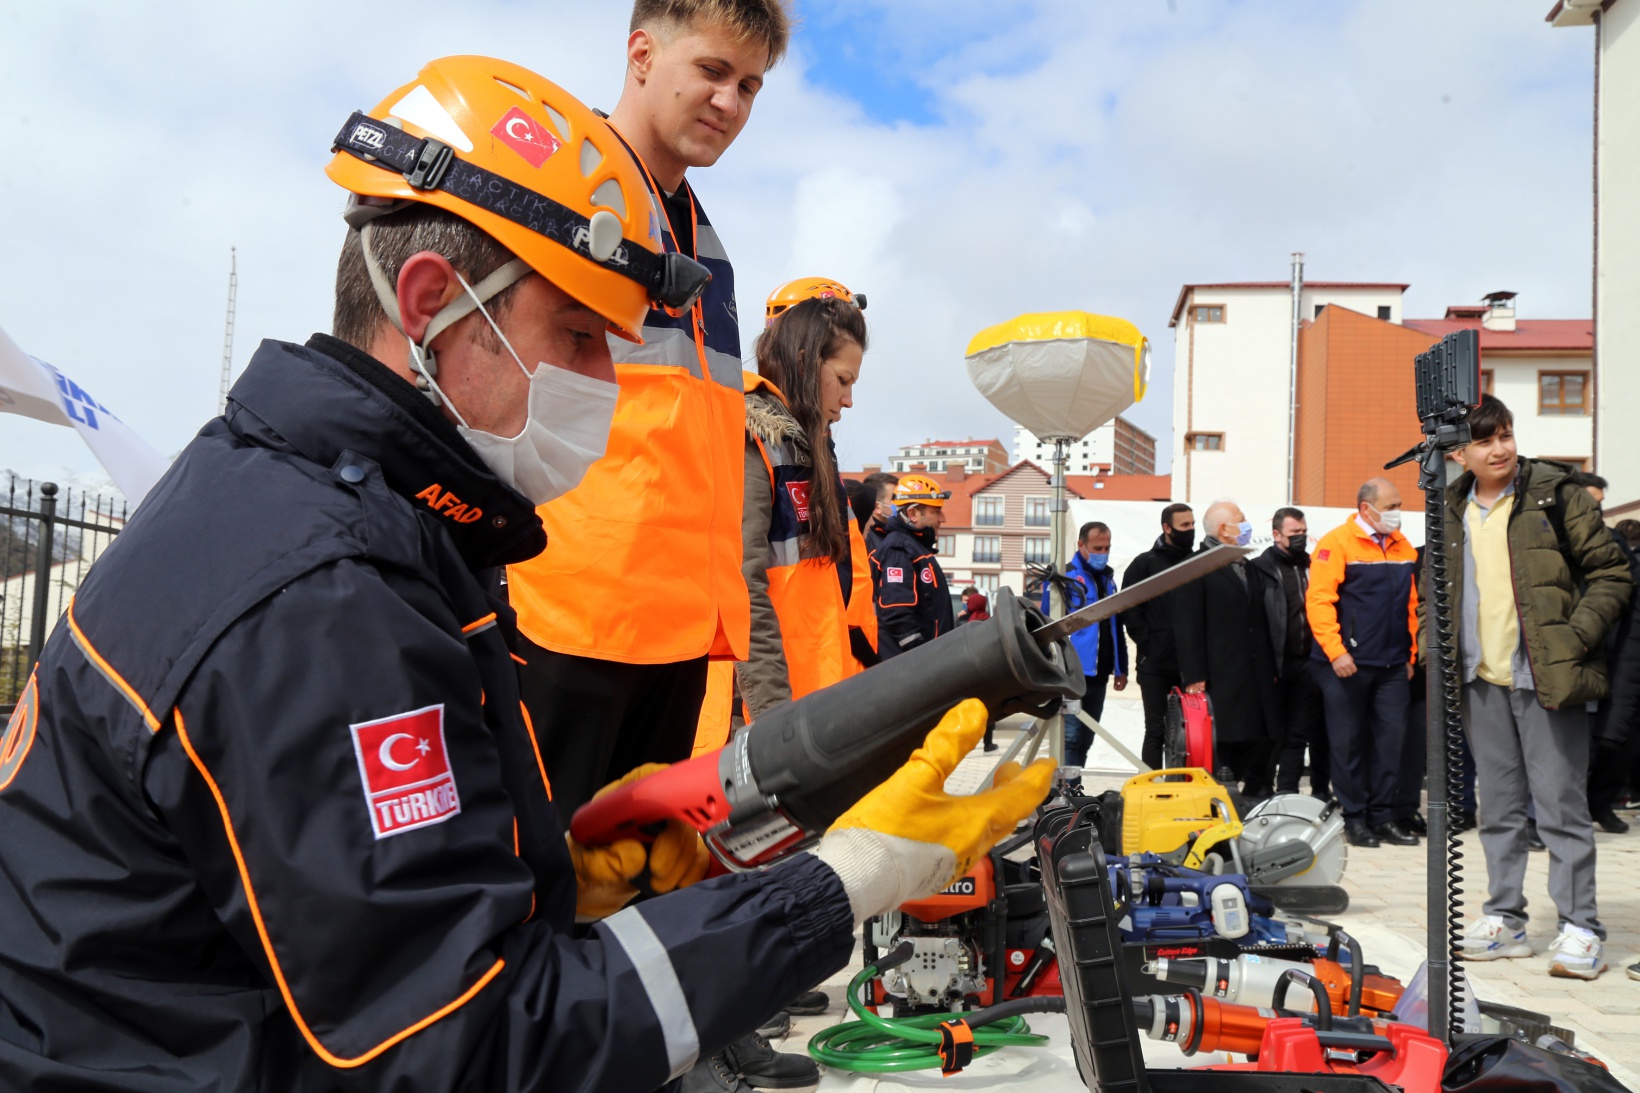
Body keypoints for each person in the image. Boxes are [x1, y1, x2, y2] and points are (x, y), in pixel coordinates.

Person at [0, 60, 1057, 1091]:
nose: (606, 382)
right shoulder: (324, 599)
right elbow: (470, 1049)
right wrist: (841, 883)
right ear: (428, 301)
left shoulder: (321, 505)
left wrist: (551, 876)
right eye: (578, 337)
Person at [508, 0, 781, 826]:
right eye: (711, 71)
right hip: (568, 623)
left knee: (637, 903)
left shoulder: (710, 248)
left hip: (686, 637)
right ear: (640, 54)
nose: (730, 102)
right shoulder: (561, 189)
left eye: (750, 86)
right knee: (541, 893)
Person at [1431, 397, 1631, 979]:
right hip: (1479, 678)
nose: (1500, 449)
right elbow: (1433, 590)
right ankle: (1506, 921)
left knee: (1561, 806)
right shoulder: (1448, 506)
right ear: (1458, 453)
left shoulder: (1554, 493)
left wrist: (1575, 637)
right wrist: (1434, 650)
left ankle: (1580, 928)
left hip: (1546, 674)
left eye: (1506, 435)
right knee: (1496, 807)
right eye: (1485, 441)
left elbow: (1611, 572)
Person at [735, 279, 868, 723]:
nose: (849, 400)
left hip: (817, 702)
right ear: (805, 362)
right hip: (768, 717)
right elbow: (743, 589)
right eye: (843, 381)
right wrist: (773, 721)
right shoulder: (756, 441)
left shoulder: (812, 455)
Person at [1305, 478, 1420, 849]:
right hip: (1346, 663)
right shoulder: (1336, 543)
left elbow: (1411, 607)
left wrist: (1410, 654)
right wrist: (1336, 652)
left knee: (1391, 742)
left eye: (1399, 505)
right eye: (1391, 506)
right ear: (1366, 508)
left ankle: (1383, 816)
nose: (1397, 512)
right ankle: (1354, 819)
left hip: (1392, 665)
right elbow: (1319, 602)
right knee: (1349, 743)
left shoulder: (1403, 547)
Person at [1172, 500, 1278, 796]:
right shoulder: (1196, 567)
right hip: (1219, 675)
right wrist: (1194, 675)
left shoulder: (1246, 565)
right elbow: (1188, 625)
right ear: (1224, 529)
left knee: (1259, 739)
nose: (1246, 526)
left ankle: (1252, 795)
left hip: (1253, 673)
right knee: (1223, 743)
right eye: (1241, 520)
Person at [1569, 471, 1640, 835]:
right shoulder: (1555, 538)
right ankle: (1565, 810)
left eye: (1600, 505)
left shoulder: (1616, 544)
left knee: (1616, 740)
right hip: (1570, 655)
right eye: (1590, 504)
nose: (1597, 512)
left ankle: (1601, 802)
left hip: (1613, 655)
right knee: (1574, 742)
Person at [1248, 507, 1328, 798]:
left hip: (1308, 664)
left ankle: (1288, 791)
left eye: (1304, 532)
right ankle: (1260, 787)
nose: (1301, 538)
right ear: (1277, 534)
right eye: (1295, 533)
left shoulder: (1313, 566)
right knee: (1270, 731)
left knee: (1298, 733)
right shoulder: (1259, 569)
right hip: (1273, 665)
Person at [1048, 521, 1128, 770]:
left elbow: (1116, 626)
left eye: (1107, 548)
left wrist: (1121, 668)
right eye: (1097, 548)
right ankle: (1066, 794)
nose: (1103, 554)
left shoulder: (1109, 580)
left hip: (1100, 673)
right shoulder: (1065, 577)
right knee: (1070, 737)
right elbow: (1047, 623)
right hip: (1073, 674)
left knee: (1087, 738)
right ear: (1081, 545)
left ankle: (1074, 790)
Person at [1123, 503, 1196, 769]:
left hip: (1191, 666)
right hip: (1154, 665)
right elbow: (1129, 609)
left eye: (1192, 524)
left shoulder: (1197, 561)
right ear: (1167, 528)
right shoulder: (1144, 564)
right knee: (1155, 730)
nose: (1190, 530)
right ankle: (1152, 787)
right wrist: (1150, 643)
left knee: (1189, 733)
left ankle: (1184, 789)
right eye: (1184, 525)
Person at [871, 475, 955, 659]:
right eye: (936, 511)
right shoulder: (899, 549)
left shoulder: (915, 547)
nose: (943, 518)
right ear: (912, 514)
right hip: (911, 666)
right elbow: (897, 611)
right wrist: (922, 658)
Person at [862, 471, 899, 559]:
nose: (900, 504)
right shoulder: (866, 538)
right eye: (894, 499)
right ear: (877, 507)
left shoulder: (898, 533)